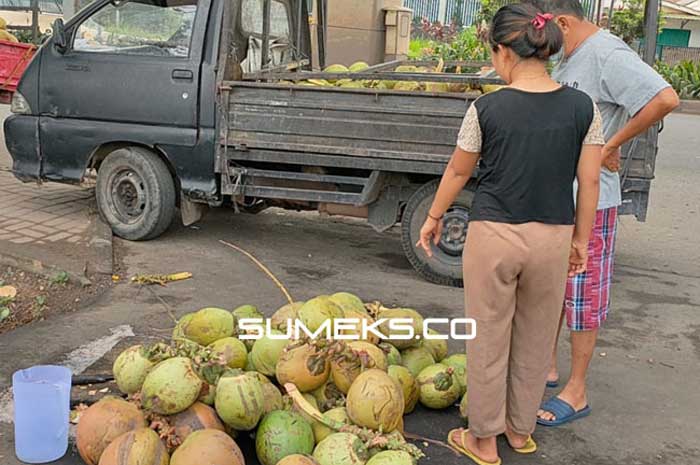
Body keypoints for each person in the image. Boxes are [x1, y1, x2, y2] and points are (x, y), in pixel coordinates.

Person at [416, 4, 604, 464]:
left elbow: (460, 171)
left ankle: (482, 439)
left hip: (494, 235)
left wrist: (433, 216)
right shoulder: (584, 107)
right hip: (554, 237)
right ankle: (520, 432)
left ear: (504, 53)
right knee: (537, 338)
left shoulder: (486, 107)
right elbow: (591, 181)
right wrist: (580, 241)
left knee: (488, 337)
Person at [530, 0, 680, 427]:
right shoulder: (571, 56)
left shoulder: (608, 54)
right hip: (561, 196)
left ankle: (576, 391)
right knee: (556, 286)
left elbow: (664, 97)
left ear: (562, 22)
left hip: (592, 201)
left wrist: (612, 144)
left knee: (582, 293)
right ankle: (549, 367)